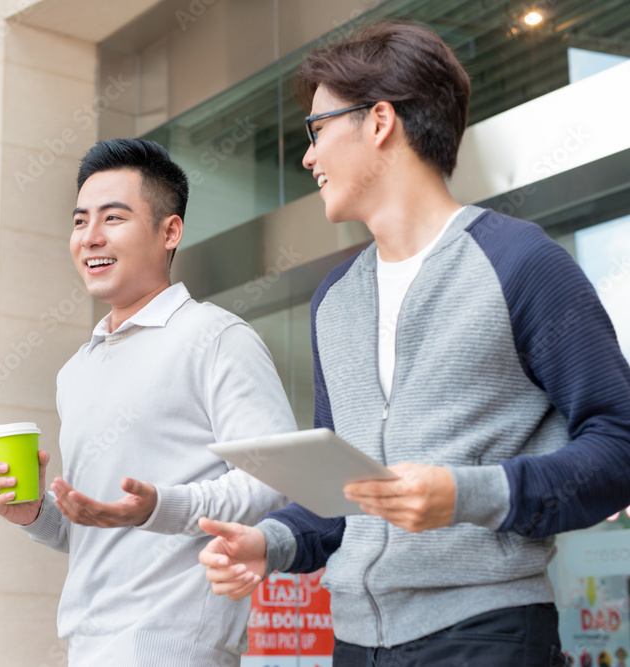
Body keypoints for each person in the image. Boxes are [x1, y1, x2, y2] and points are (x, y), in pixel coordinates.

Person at [198, 19, 630, 666]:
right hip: (354, 645)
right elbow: (343, 501)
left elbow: (620, 444)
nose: (309, 156)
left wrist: (465, 494)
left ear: (378, 122)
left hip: (486, 636)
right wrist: (271, 543)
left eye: (317, 131)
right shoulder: (332, 301)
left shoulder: (522, 263)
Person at [0, 138, 297, 666]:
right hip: (86, 645)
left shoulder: (216, 337)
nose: (91, 237)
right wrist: (35, 513)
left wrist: (160, 506)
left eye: (114, 218)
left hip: (177, 647)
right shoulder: (77, 370)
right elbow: (99, 527)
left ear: (169, 231)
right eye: (80, 221)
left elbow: (275, 481)